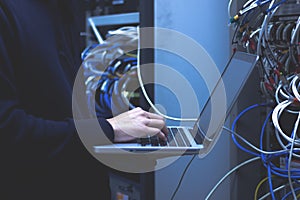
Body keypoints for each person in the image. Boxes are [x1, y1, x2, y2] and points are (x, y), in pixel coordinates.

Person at [0, 0, 167, 199]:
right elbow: (9, 133)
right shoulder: (8, 12)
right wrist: (109, 129)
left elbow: (60, 107)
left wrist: (125, 126)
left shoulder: (61, 11)